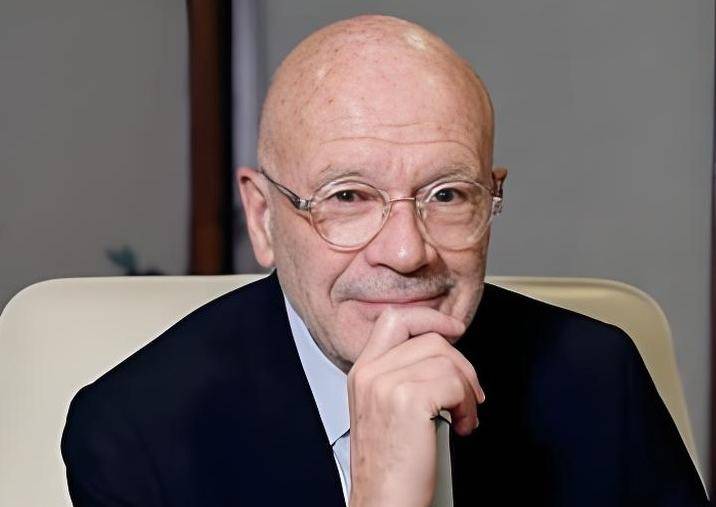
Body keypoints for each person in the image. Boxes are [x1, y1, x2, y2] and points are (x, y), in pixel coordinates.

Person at [61, 14, 709, 506]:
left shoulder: (598, 376)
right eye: (348, 196)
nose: (406, 252)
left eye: (447, 194)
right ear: (263, 218)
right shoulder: (133, 432)